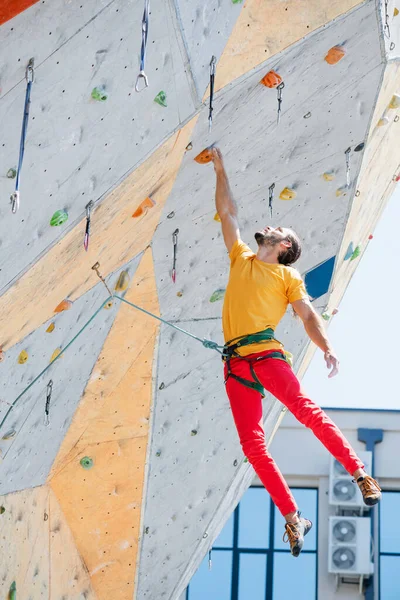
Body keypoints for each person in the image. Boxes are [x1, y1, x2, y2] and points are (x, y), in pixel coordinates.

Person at [211, 147, 381, 558]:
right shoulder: (242, 259)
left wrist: (327, 348)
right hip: (235, 364)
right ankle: (292, 517)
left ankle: (359, 473)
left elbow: (306, 315)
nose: (269, 227)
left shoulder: (287, 274)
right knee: (252, 446)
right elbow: (228, 212)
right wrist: (220, 166)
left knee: (305, 410)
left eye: (278, 229)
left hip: (265, 355)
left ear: (284, 245)